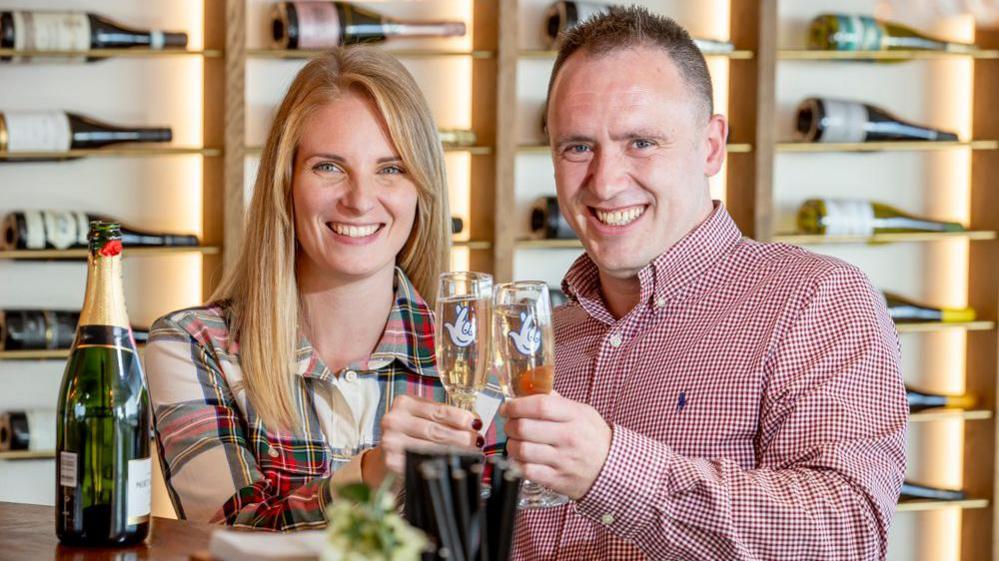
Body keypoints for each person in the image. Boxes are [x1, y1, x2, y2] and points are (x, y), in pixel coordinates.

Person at [502, 7, 907, 560]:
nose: (606, 181)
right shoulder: (547, 340)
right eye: (578, 146)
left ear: (712, 145)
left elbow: (846, 532)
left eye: (640, 142)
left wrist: (610, 470)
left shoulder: (816, 299)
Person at [143, 46, 501, 530]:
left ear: (422, 188)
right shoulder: (197, 345)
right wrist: (372, 476)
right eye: (328, 167)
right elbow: (231, 535)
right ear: (284, 183)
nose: (359, 199)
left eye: (391, 168)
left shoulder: (478, 357)